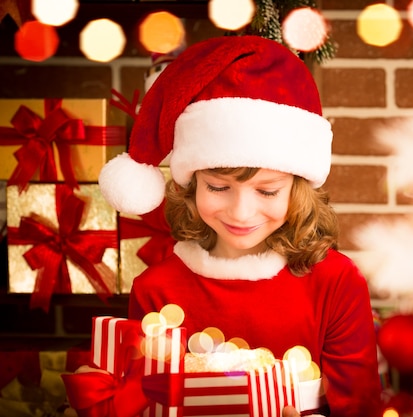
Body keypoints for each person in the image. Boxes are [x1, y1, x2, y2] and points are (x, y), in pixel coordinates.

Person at [64, 35, 383, 417]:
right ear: (191, 184)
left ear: (298, 190)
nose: (242, 213)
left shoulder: (336, 283)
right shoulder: (156, 289)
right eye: (218, 187)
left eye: (267, 191)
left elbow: (360, 406)